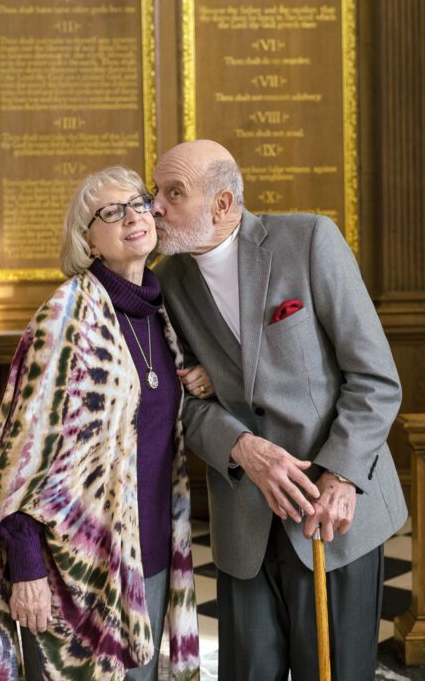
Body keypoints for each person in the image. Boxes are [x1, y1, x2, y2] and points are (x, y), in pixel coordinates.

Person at [152, 139, 408, 680]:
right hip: (243, 516)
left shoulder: (309, 240)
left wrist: (340, 476)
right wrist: (242, 446)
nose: (156, 206)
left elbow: (376, 379)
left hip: (334, 513)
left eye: (173, 193)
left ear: (223, 204)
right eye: (157, 191)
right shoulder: (168, 281)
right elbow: (180, 404)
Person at [0, 166, 210, 680]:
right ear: (87, 239)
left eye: (137, 202)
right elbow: (16, 459)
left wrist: (202, 377)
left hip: (147, 550)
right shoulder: (65, 317)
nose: (133, 216)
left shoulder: (160, 311)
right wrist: (27, 570)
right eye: (112, 212)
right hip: (74, 565)